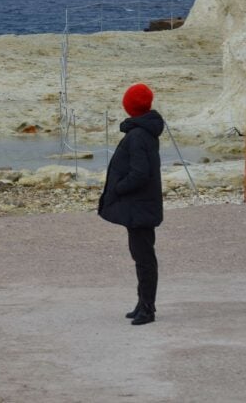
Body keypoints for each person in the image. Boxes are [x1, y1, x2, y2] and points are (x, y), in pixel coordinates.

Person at [98, 82, 164, 326]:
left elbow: (140, 173)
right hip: (142, 206)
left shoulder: (138, 135)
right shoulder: (143, 131)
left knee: (144, 258)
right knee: (141, 256)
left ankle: (147, 308)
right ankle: (142, 304)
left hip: (140, 207)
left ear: (130, 107)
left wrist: (119, 187)